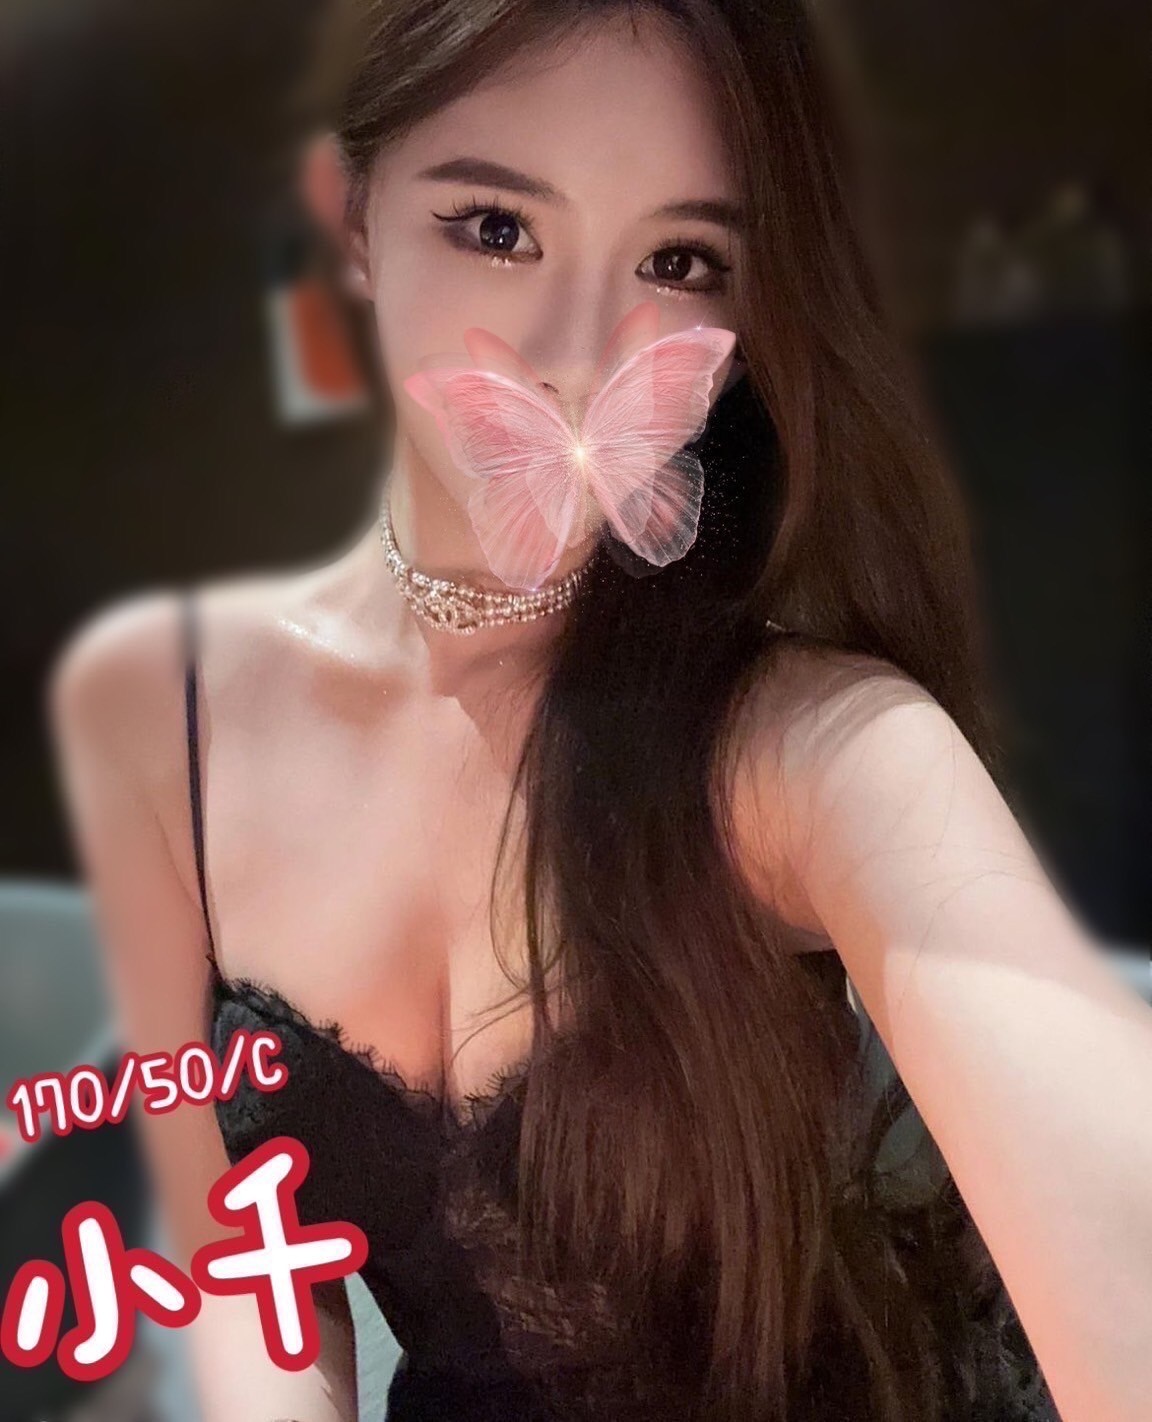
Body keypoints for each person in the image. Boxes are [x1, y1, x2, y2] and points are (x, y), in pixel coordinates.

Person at [48, 2, 1152, 1419]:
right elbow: (246, 1272)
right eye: (497, 227)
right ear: (354, 221)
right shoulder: (156, 708)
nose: (578, 359)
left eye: (680, 261)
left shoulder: (809, 749)